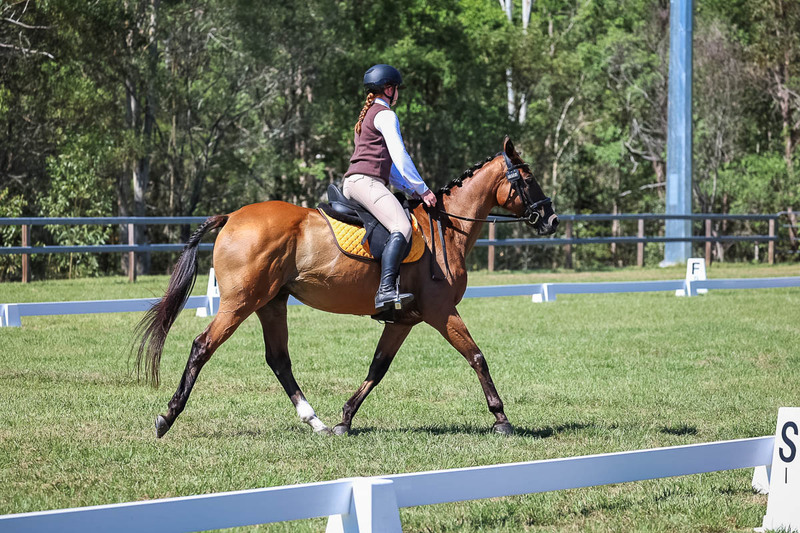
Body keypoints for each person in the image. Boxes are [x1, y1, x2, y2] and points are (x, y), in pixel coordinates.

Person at [343, 64, 437, 312]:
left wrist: (411, 189)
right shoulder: (385, 115)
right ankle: (385, 290)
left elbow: (390, 170)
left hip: (355, 183)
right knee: (402, 226)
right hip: (367, 182)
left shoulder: (366, 116)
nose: (399, 94)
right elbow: (400, 156)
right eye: (397, 89)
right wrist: (424, 188)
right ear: (389, 89)